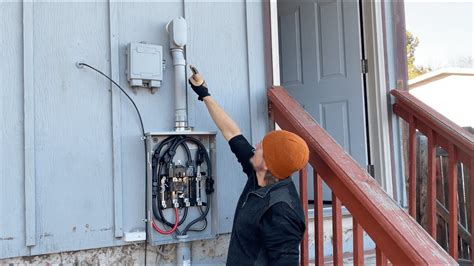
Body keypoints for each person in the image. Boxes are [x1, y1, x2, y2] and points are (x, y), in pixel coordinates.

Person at [188, 66, 309, 266]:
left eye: (262, 147)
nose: (257, 146)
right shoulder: (260, 172)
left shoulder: (282, 211)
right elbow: (231, 132)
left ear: (270, 162)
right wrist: (204, 93)